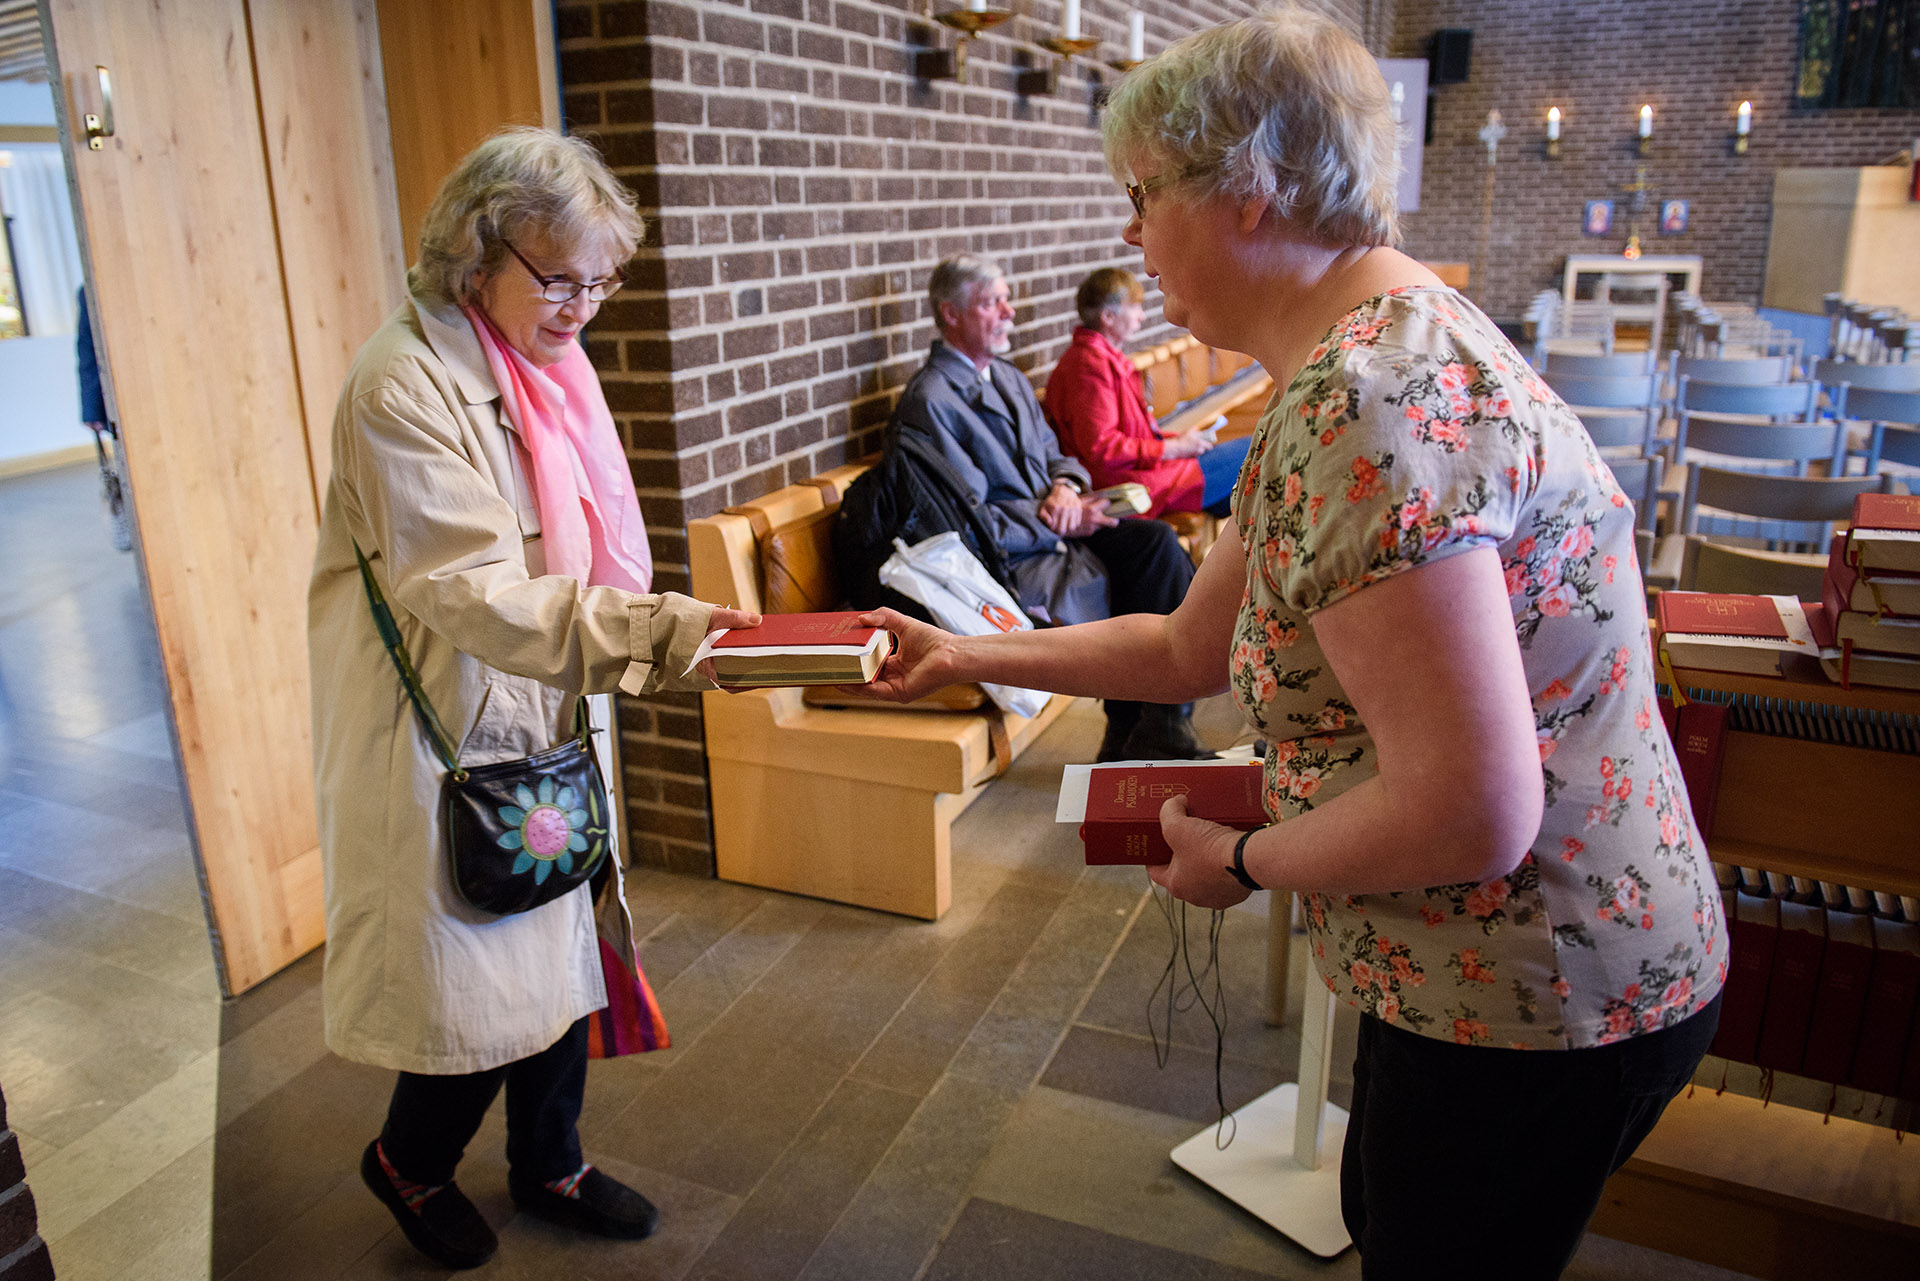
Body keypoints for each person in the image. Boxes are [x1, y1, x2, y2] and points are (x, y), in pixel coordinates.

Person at [859, 14, 1726, 1279]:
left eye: (1143, 193)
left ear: (1250, 190)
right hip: (1493, 960)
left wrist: (1248, 858)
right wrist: (968, 655)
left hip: (1531, 978)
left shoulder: (1368, 403)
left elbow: (1476, 808)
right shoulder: (1348, 364)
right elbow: (1181, 649)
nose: (1128, 230)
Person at [308, 127, 757, 1270]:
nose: (585, 307)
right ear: (475, 253)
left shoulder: (543, 363)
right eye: (562, 278)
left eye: (601, 280)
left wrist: (635, 636)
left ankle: (551, 1160)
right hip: (449, 726)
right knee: (474, 980)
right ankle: (409, 1162)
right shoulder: (401, 385)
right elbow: (473, 593)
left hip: (542, 708)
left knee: (561, 949)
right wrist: (663, 635)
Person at [891, 254, 1210, 761]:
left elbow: (1059, 453)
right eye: (992, 303)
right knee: (1145, 563)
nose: (1009, 313)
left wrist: (1065, 486)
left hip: (1061, 526)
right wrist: (1057, 516)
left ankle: (1155, 724)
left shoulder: (1008, 378)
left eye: (1006, 300)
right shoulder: (931, 402)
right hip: (1015, 556)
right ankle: (1144, 731)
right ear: (951, 314)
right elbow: (969, 520)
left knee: (1155, 544)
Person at [1044, 267, 1251, 519]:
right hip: (1129, 486)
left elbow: (1136, 431)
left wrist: (1178, 440)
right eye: (1135, 307)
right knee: (1256, 449)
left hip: (1146, 471)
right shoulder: (1088, 367)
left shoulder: (1101, 358)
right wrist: (1173, 448)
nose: (1141, 317)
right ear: (1108, 316)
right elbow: (1102, 448)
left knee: (1243, 491)